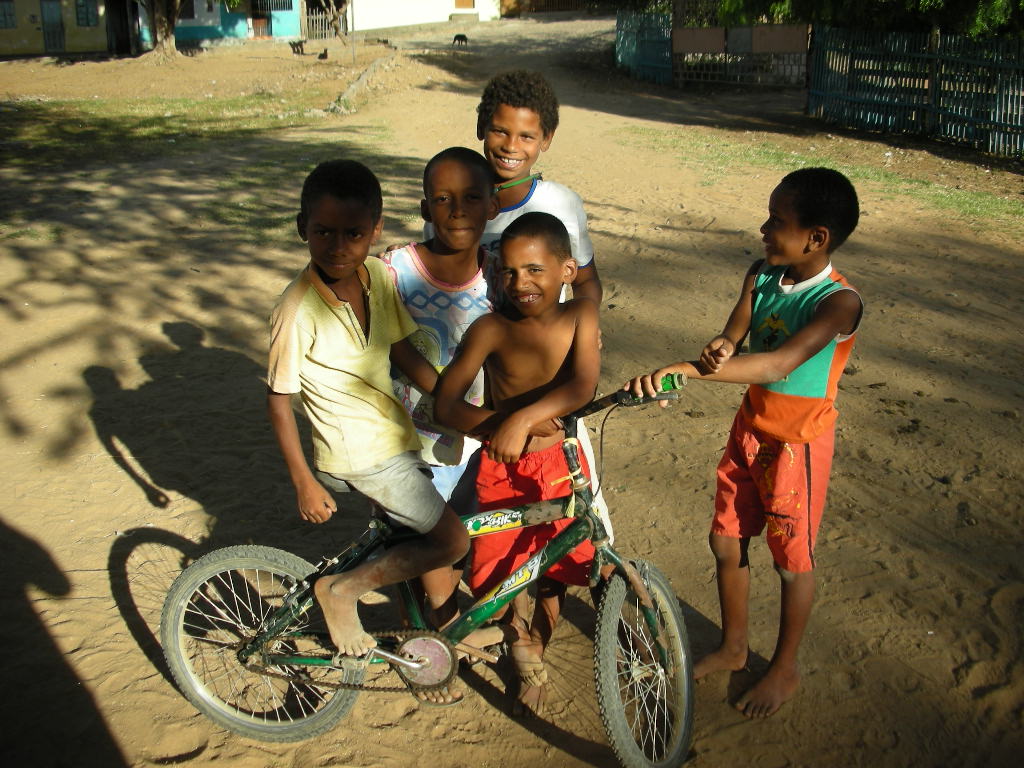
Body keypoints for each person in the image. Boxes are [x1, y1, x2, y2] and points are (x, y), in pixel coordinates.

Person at [624, 167, 863, 719]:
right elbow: (736, 330)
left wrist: (689, 369)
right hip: (751, 430)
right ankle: (734, 647)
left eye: (776, 221)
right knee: (726, 540)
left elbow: (779, 364)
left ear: (816, 238)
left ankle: (785, 667)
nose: (763, 228)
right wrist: (721, 345)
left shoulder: (839, 303)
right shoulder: (762, 274)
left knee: (791, 561)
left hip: (797, 444)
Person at [266, 159, 469, 705]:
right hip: (357, 453)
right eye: (323, 232)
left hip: (394, 435)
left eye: (354, 233)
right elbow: (279, 401)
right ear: (302, 227)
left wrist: (451, 402)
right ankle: (341, 591)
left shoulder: (377, 277)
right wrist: (303, 481)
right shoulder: (295, 309)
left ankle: (421, 652)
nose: (338, 246)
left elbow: (402, 349)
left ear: (375, 230)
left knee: (408, 543)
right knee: (451, 540)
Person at [434, 211, 601, 716]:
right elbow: (445, 405)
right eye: (508, 271)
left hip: (559, 464)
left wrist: (522, 419)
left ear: (567, 270)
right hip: (501, 468)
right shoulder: (490, 329)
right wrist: (499, 426)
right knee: (501, 568)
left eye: (534, 270)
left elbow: (583, 385)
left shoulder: (581, 315)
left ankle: (535, 652)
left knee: (556, 562)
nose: (520, 282)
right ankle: (518, 637)